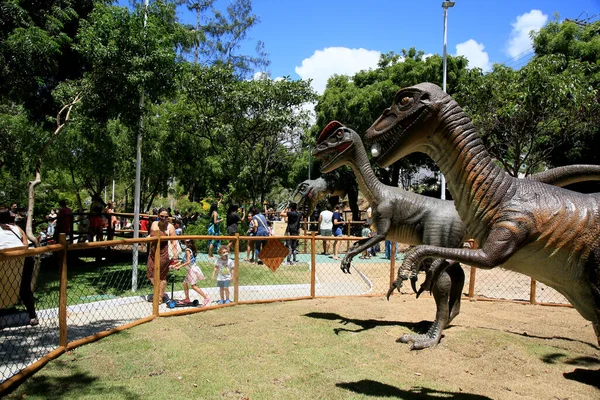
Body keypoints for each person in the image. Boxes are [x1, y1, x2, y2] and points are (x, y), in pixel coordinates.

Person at [0, 206, 38, 326]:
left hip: (3, 262)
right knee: (25, 287)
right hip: (22, 261)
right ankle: (32, 315)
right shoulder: (17, 228)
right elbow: (25, 245)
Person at [146, 207, 178, 304]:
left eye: (166, 217)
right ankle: (159, 293)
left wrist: (174, 255)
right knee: (150, 274)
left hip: (164, 252)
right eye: (162, 216)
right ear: (158, 216)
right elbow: (151, 235)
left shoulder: (170, 227)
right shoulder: (154, 224)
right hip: (153, 251)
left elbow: (174, 242)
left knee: (161, 276)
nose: (164, 218)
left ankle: (159, 297)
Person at [173, 239, 210, 307]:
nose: (184, 243)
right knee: (185, 283)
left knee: (193, 286)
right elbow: (183, 261)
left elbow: (188, 262)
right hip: (190, 270)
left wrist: (179, 267)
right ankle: (187, 298)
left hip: (192, 270)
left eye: (185, 242)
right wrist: (175, 265)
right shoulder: (189, 249)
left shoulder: (187, 250)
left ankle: (206, 297)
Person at [207, 194, 223, 259]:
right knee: (212, 241)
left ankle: (210, 254)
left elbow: (219, 203)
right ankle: (210, 255)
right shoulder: (215, 213)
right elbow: (215, 222)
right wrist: (221, 220)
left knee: (213, 241)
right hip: (214, 229)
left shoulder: (213, 211)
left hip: (213, 228)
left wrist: (221, 197)